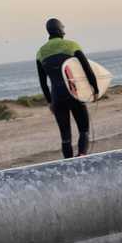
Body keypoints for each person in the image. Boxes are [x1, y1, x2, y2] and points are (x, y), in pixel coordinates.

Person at [36, 18, 99, 158]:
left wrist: (49, 102)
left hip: (56, 97)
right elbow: (87, 68)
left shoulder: (40, 52)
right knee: (84, 130)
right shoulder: (71, 45)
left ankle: (68, 163)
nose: (64, 31)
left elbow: (43, 82)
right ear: (59, 30)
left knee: (65, 137)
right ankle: (81, 155)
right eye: (63, 28)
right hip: (74, 92)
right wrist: (95, 88)